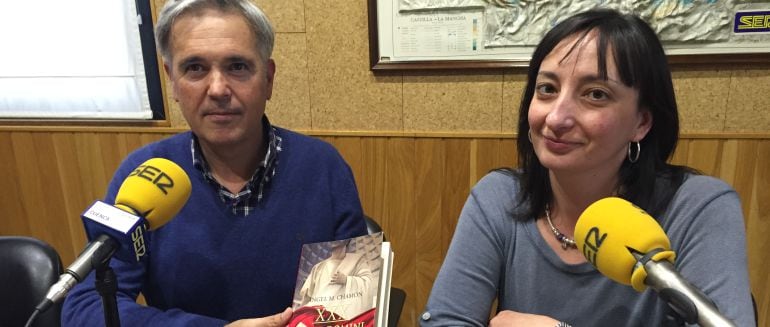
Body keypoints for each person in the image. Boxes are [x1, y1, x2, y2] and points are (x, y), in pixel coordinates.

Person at [422, 8, 755, 327]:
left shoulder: (698, 207)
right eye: (547, 90)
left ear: (641, 122)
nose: (555, 118)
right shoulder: (500, 197)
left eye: (595, 94)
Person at [61, 0, 367, 326]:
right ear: (172, 81)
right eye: (195, 68)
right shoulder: (145, 174)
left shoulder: (323, 168)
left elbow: (352, 301)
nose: (218, 88)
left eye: (237, 66)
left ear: (268, 78)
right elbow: (85, 307)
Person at [297, 239, 374, 318]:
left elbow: (368, 283)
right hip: (318, 316)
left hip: (344, 316)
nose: (335, 240)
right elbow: (307, 297)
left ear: (347, 241)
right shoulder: (318, 267)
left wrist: (346, 280)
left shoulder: (357, 260)